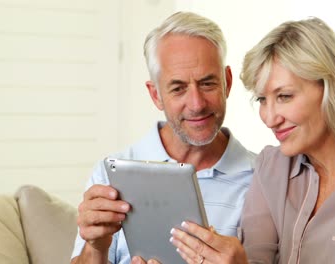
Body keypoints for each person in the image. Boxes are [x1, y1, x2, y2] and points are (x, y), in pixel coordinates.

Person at [163, 17, 335, 264]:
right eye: (262, 100)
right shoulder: (272, 166)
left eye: (284, 96)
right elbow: (256, 259)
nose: (269, 118)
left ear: (330, 88)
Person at [69, 11, 255, 264]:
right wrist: (96, 248)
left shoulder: (263, 178)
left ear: (227, 82)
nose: (197, 104)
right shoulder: (110, 173)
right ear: (156, 95)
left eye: (208, 83)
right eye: (178, 88)